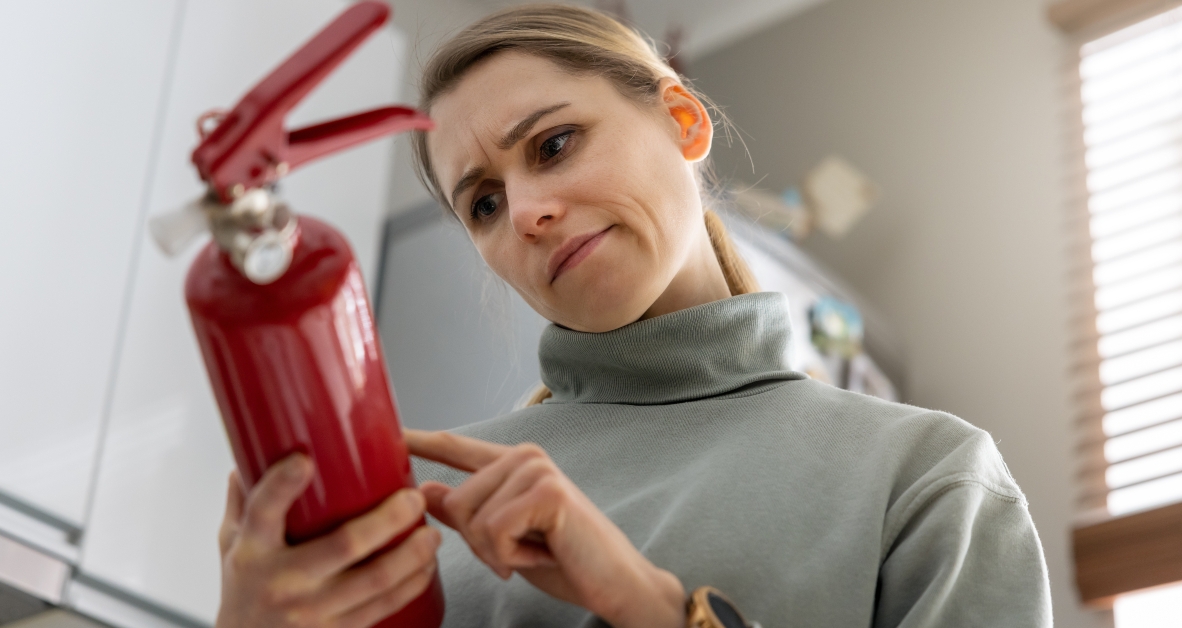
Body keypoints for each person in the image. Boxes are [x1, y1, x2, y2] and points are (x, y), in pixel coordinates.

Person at [213, 5, 1053, 627]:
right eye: (484, 203)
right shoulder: (427, 509)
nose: (529, 211)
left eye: (552, 144)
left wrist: (651, 605)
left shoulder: (924, 477)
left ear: (683, 119)